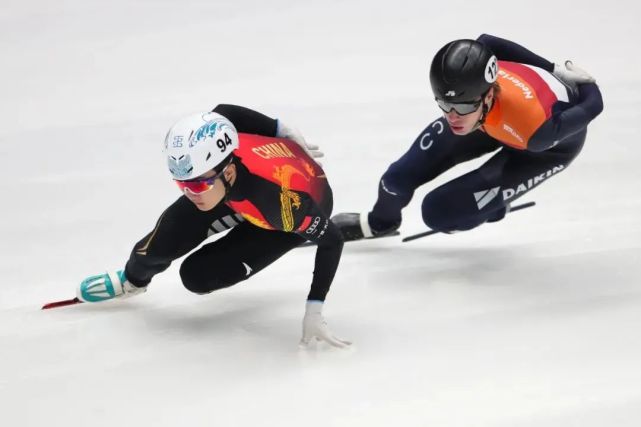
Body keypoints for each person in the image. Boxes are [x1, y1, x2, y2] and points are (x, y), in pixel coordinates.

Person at [76, 104, 350, 348]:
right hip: (237, 191)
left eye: (196, 184)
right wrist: (281, 129)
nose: (190, 193)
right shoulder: (215, 147)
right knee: (158, 244)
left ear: (228, 172)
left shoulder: (280, 206)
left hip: (284, 215)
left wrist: (315, 307)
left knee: (197, 277)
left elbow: (332, 240)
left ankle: (277, 224)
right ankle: (132, 282)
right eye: (182, 184)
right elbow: (225, 111)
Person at [333, 34, 603, 239]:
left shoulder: (538, 131)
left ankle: (495, 207)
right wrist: (553, 67)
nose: (452, 117)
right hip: (490, 123)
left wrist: (586, 83)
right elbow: (487, 41)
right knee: (396, 179)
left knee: (439, 213)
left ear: (488, 95)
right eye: (443, 105)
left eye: (461, 107)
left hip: (542, 149)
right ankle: (380, 223)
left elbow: (593, 107)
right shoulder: (468, 98)